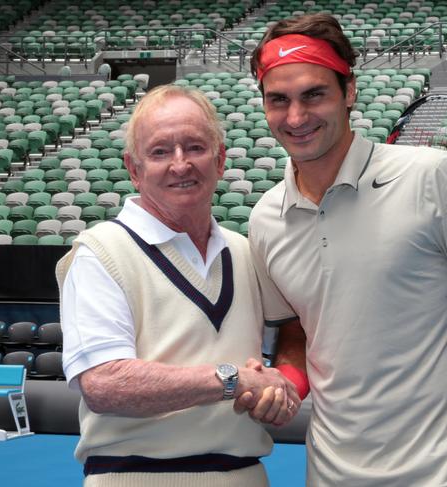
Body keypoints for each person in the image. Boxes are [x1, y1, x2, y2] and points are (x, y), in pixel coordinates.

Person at [242, 13, 447, 487]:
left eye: (314, 94)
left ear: (350, 91)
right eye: (279, 100)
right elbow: (298, 334)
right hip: (331, 476)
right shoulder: (264, 220)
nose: (296, 118)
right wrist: (285, 385)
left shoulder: (431, 175)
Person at [56, 84, 300, 487]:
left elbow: (291, 342)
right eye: (160, 152)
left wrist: (278, 393)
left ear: (220, 160)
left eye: (195, 147)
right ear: (133, 170)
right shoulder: (100, 252)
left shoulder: (245, 252)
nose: (180, 164)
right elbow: (104, 384)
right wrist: (232, 379)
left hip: (246, 476)